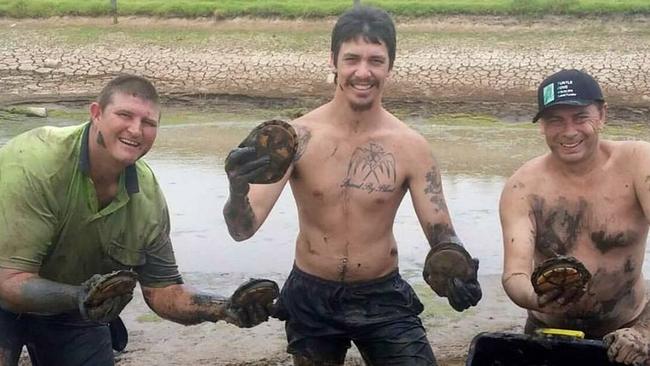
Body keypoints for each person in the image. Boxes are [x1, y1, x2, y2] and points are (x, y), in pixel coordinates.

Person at [223, 6, 481, 365]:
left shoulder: (411, 147)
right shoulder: (294, 138)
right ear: (333, 61)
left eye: (375, 60)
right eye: (352, 59)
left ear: (390, 65)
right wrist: (237, 188)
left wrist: (460, 271)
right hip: (310, 296)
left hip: (382, 294)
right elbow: (242, 229)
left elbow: (442, 236)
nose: (363, 72)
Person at [0, 74, 274, 366]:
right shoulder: (35, 162)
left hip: (76, 308)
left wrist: (224, 308)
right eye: (124, 115)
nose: (136, 129)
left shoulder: (147, 196)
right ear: (96, 113)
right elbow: (9, 281)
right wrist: (81, 296)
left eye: (149, 123)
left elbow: (164, 291)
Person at [500, 69, 650, 365]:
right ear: (542, 125)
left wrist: (646, 332)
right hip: (549, 332)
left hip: (629, 327)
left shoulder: (638, 163)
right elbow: (514, 274)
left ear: (602, 115)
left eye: (581, 117)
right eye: (555, 120)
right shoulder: (522, 187)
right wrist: (535, 297)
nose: (569, 131)